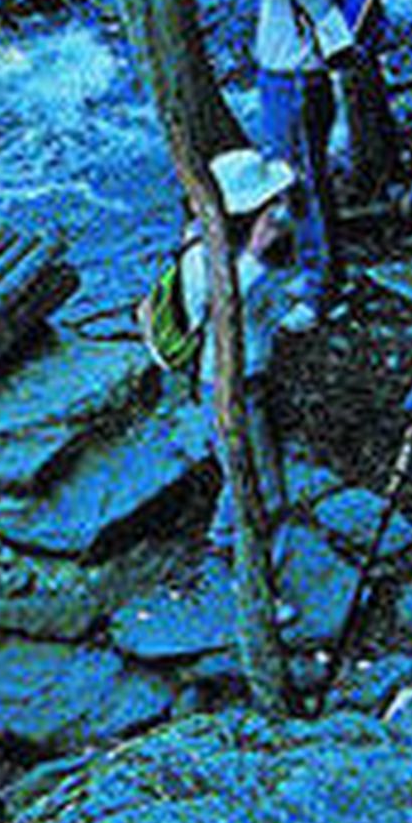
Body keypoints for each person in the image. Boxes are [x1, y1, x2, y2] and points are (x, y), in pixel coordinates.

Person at [187, 0, 340, 330]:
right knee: (290, 180)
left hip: (298, 84)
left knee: (305, 183)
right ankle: (314, 272)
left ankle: (322, 290)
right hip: (280, 81)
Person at [178, 147, 300, 557]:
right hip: (227, 383)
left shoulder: (250, 249)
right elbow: (213, 310)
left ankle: (223, 537)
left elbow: (269, 305)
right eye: (271, 203)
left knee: (245, 471)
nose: (280, 210)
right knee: (261, 484)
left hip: (257, 374)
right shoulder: (200, 257)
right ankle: (262, 570)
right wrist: (256, 255)